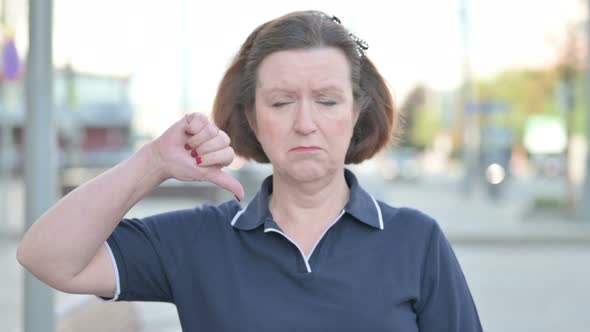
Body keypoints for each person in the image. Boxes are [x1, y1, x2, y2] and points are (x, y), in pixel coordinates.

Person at [17, 10, 483, 331]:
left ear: (357, 113)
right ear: (253, 118)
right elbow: (45, 255)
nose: (305, 122)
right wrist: (152, 163)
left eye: (327, 100)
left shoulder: (415, 241)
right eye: (281, 102)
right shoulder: (199, 241)